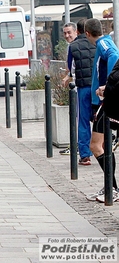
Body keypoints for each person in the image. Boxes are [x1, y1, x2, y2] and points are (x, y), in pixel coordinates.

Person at [85, 18, 119, 202]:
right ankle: (110, 187)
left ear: (87, 33)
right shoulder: (105, 41)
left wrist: (108, 84)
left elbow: (114, 56)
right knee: (104, 146)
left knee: (95, 146)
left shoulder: (104, 43)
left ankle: (112, 188)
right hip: (104, 101)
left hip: (104, 102)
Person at [67, 19, 95, 165]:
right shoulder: (96, 44)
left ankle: (85, 155)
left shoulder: (73, 46)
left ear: (77, 31)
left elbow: (70, 68)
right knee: (100, 119)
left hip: (83, 86)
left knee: (83, 121)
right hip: (98, 88)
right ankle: (103, 148)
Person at [59, 22, 78, 155]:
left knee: (78, 117)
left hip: (80, 87)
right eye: (65, 33)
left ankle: (77, 146)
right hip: (76, 85)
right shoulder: (71, 46)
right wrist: (68, 76)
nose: (67, 35)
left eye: (69, 32)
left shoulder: (76, 46)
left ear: (76, 32)